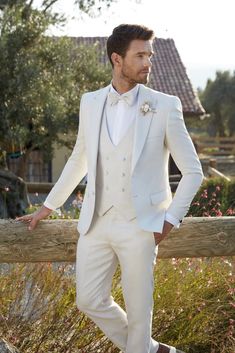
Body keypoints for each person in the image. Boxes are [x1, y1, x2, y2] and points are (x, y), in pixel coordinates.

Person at [17, 24, 204, 353]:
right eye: (140, 55)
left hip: (142, 225)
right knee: (88, 299)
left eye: (150, 55)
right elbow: (79, 159)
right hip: (96, 222)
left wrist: (170, 220)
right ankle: (153, 350)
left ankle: (142, 347)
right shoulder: (90, 102)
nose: (148, 62)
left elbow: (193, 171)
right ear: (117, 59)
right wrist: (49, 206)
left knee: (139, 313)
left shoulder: (165, 104)